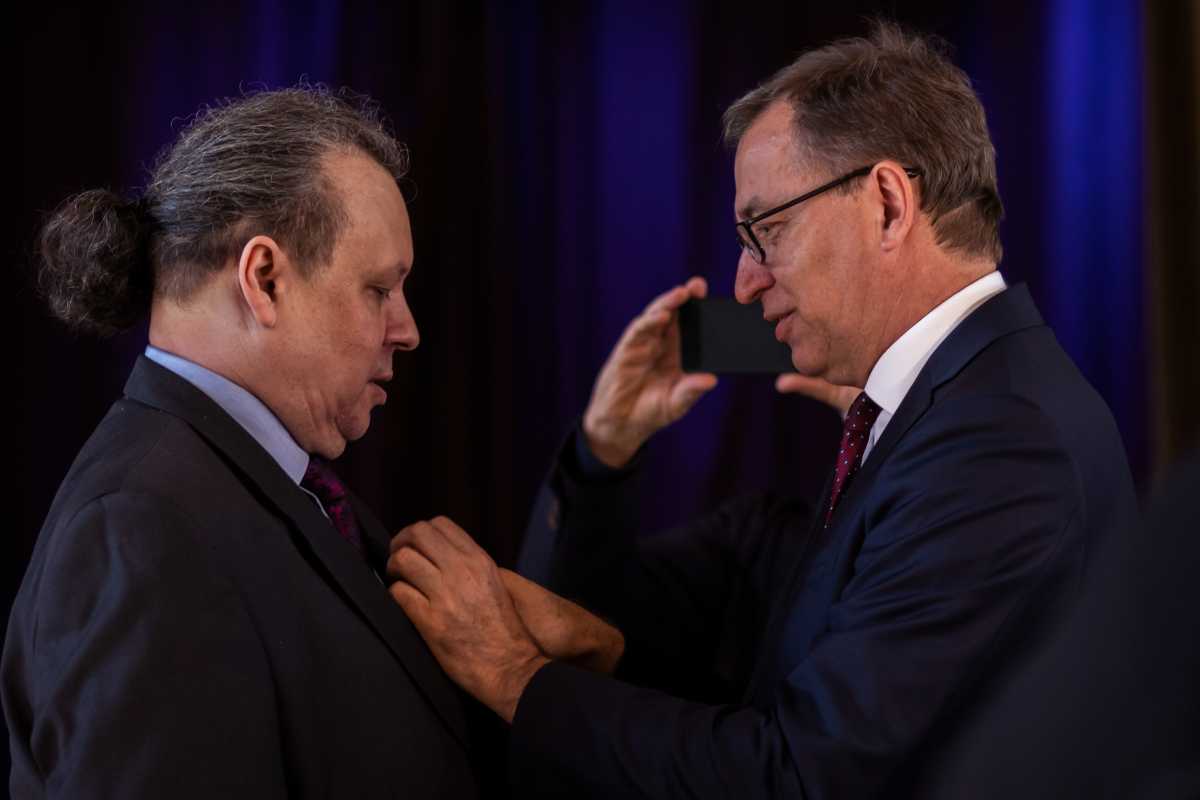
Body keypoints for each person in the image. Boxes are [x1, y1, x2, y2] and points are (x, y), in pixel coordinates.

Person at [382, 22, 1140, 797]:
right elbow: (783, 682)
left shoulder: (1000, 446)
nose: (744, 285)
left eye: (767, 231)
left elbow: (802, 777)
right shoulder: (952, 410)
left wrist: (513, 676)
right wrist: (602, 641)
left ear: (887, 204)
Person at [4, 86, 618, 799]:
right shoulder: (138, 529)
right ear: (264, 279)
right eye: (379, 290)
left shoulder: (254, 479)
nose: (408, 330)